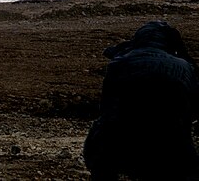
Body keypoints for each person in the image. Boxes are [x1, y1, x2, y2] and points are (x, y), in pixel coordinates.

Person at [84, 21, 199, 180]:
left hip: (122, 145)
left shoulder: (119, 63)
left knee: (102, 136)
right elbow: (193, 110)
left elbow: (106, 109)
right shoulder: (184, 67)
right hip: (172, 148)